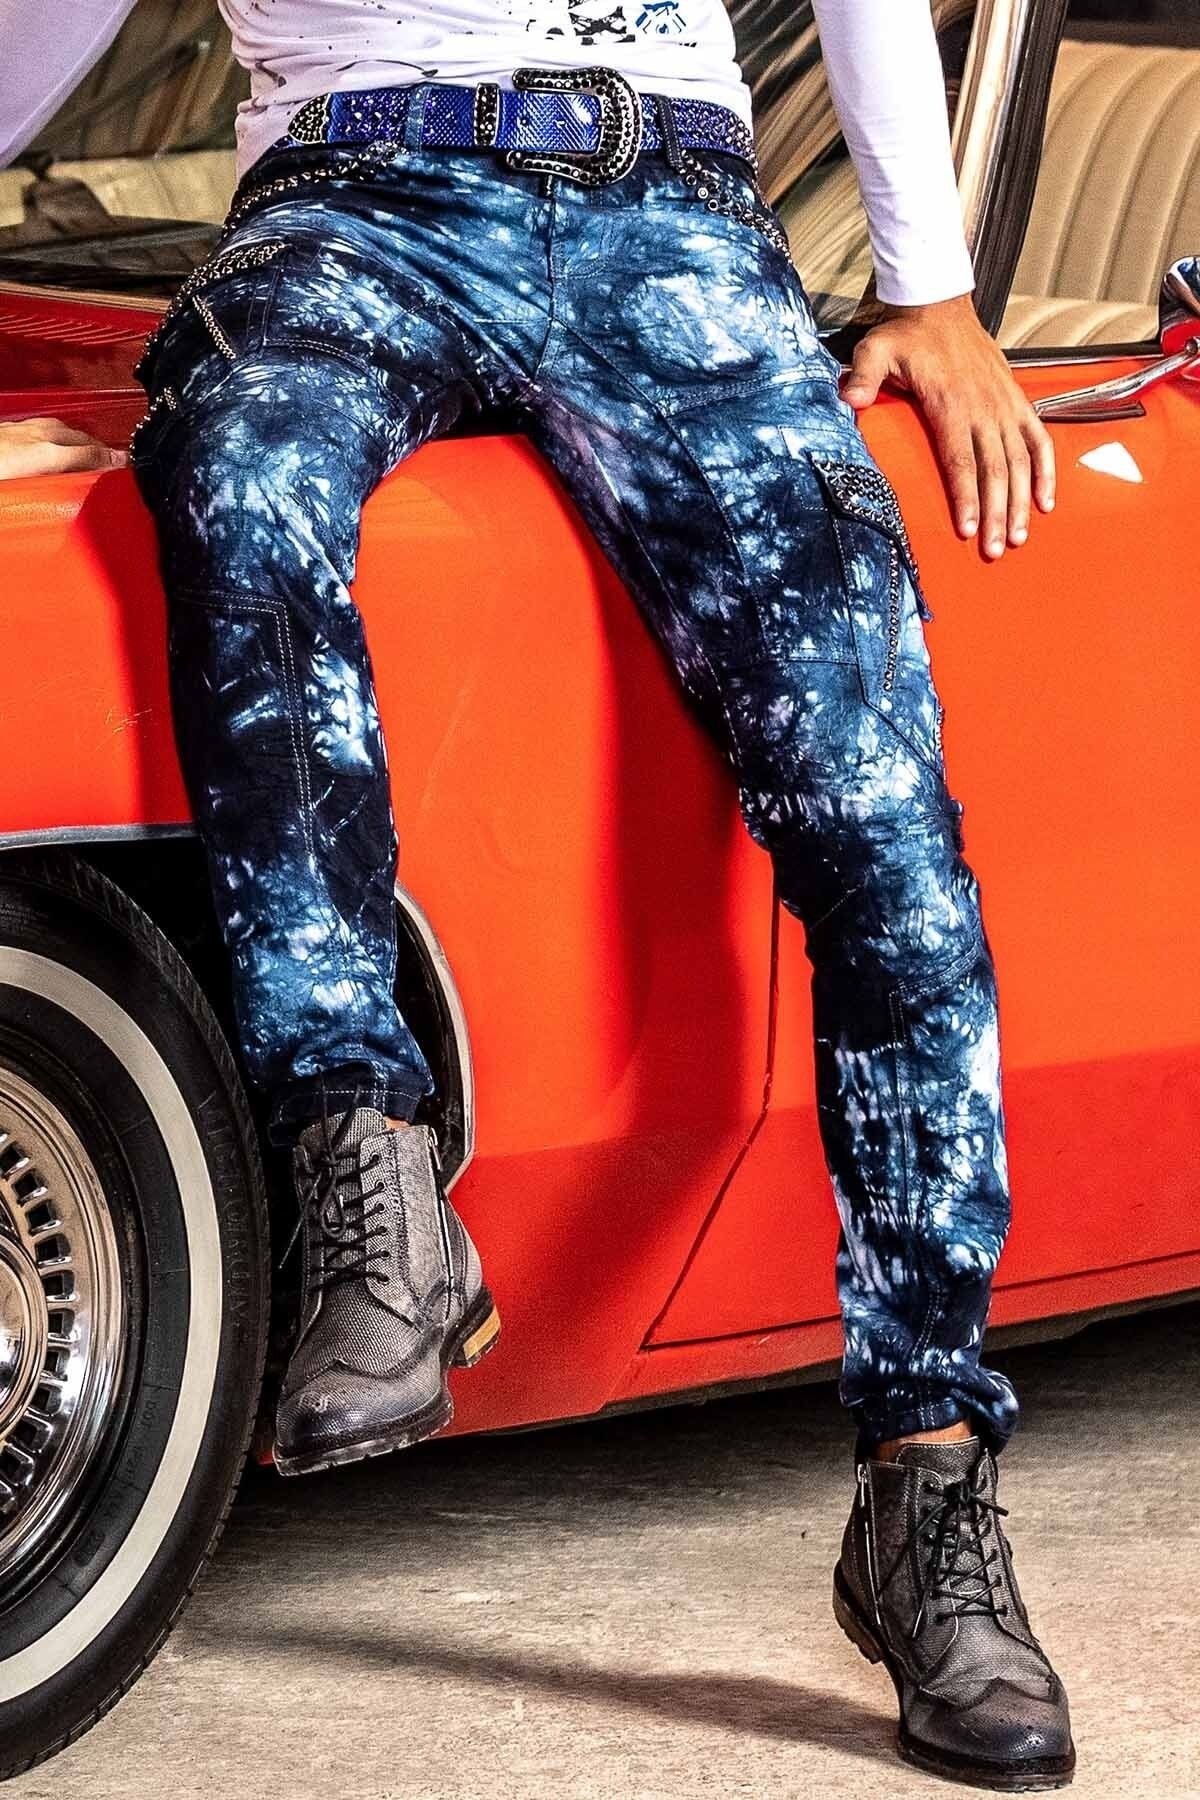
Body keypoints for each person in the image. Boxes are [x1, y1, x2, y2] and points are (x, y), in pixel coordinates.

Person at [1, 0, 1074, 1786]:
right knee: (242, 475)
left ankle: (929, 1485)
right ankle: (371, 1181)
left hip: (675, 207)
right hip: (352, 204)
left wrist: (930, 279)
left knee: (885, 827)